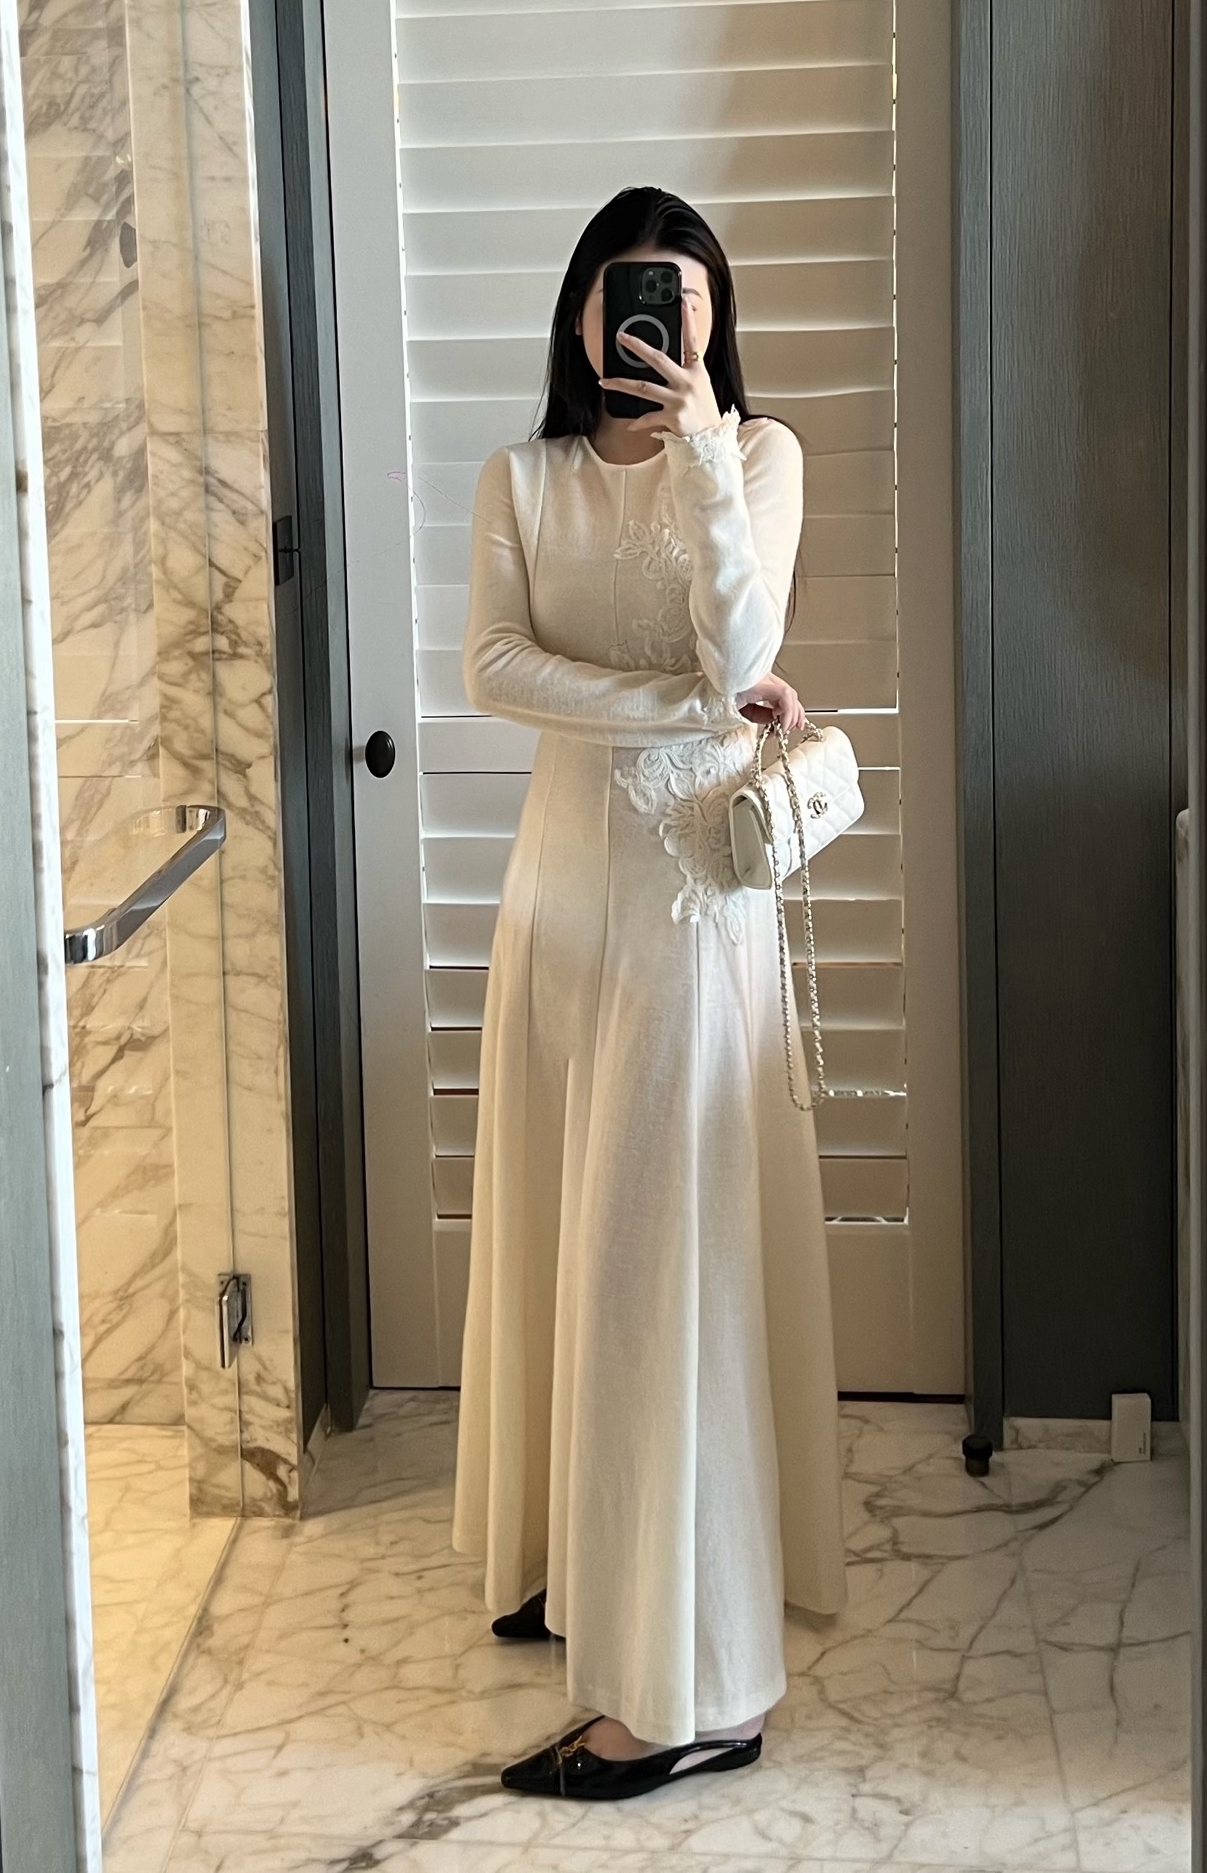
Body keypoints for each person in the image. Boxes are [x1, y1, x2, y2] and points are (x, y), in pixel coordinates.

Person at [452, 185, 847, 1801]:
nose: (652, 323)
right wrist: (676, 702)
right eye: (627, 295)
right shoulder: (522, 477)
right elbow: (491, 669)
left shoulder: (758, 459)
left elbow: (745, 645)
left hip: (688, 909)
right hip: (556, 899)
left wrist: (698, 453)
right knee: (567, 1230)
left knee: (655, 1266)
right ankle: (578, 1559)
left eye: (681, 301)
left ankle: (696, 1694)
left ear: (713, 321)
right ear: (577, 311)